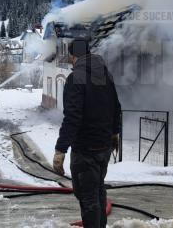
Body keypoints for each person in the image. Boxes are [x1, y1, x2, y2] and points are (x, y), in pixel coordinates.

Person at [53, 38, 122, 228]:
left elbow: (72, 117)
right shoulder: (105, 76)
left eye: (71, 56)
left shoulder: (76, 78)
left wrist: (60, 150)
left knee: (87, 197)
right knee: (98, 190)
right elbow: (116, 107)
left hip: (85, 149)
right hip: (104, 147)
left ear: (74, 56)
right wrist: (114, 134)